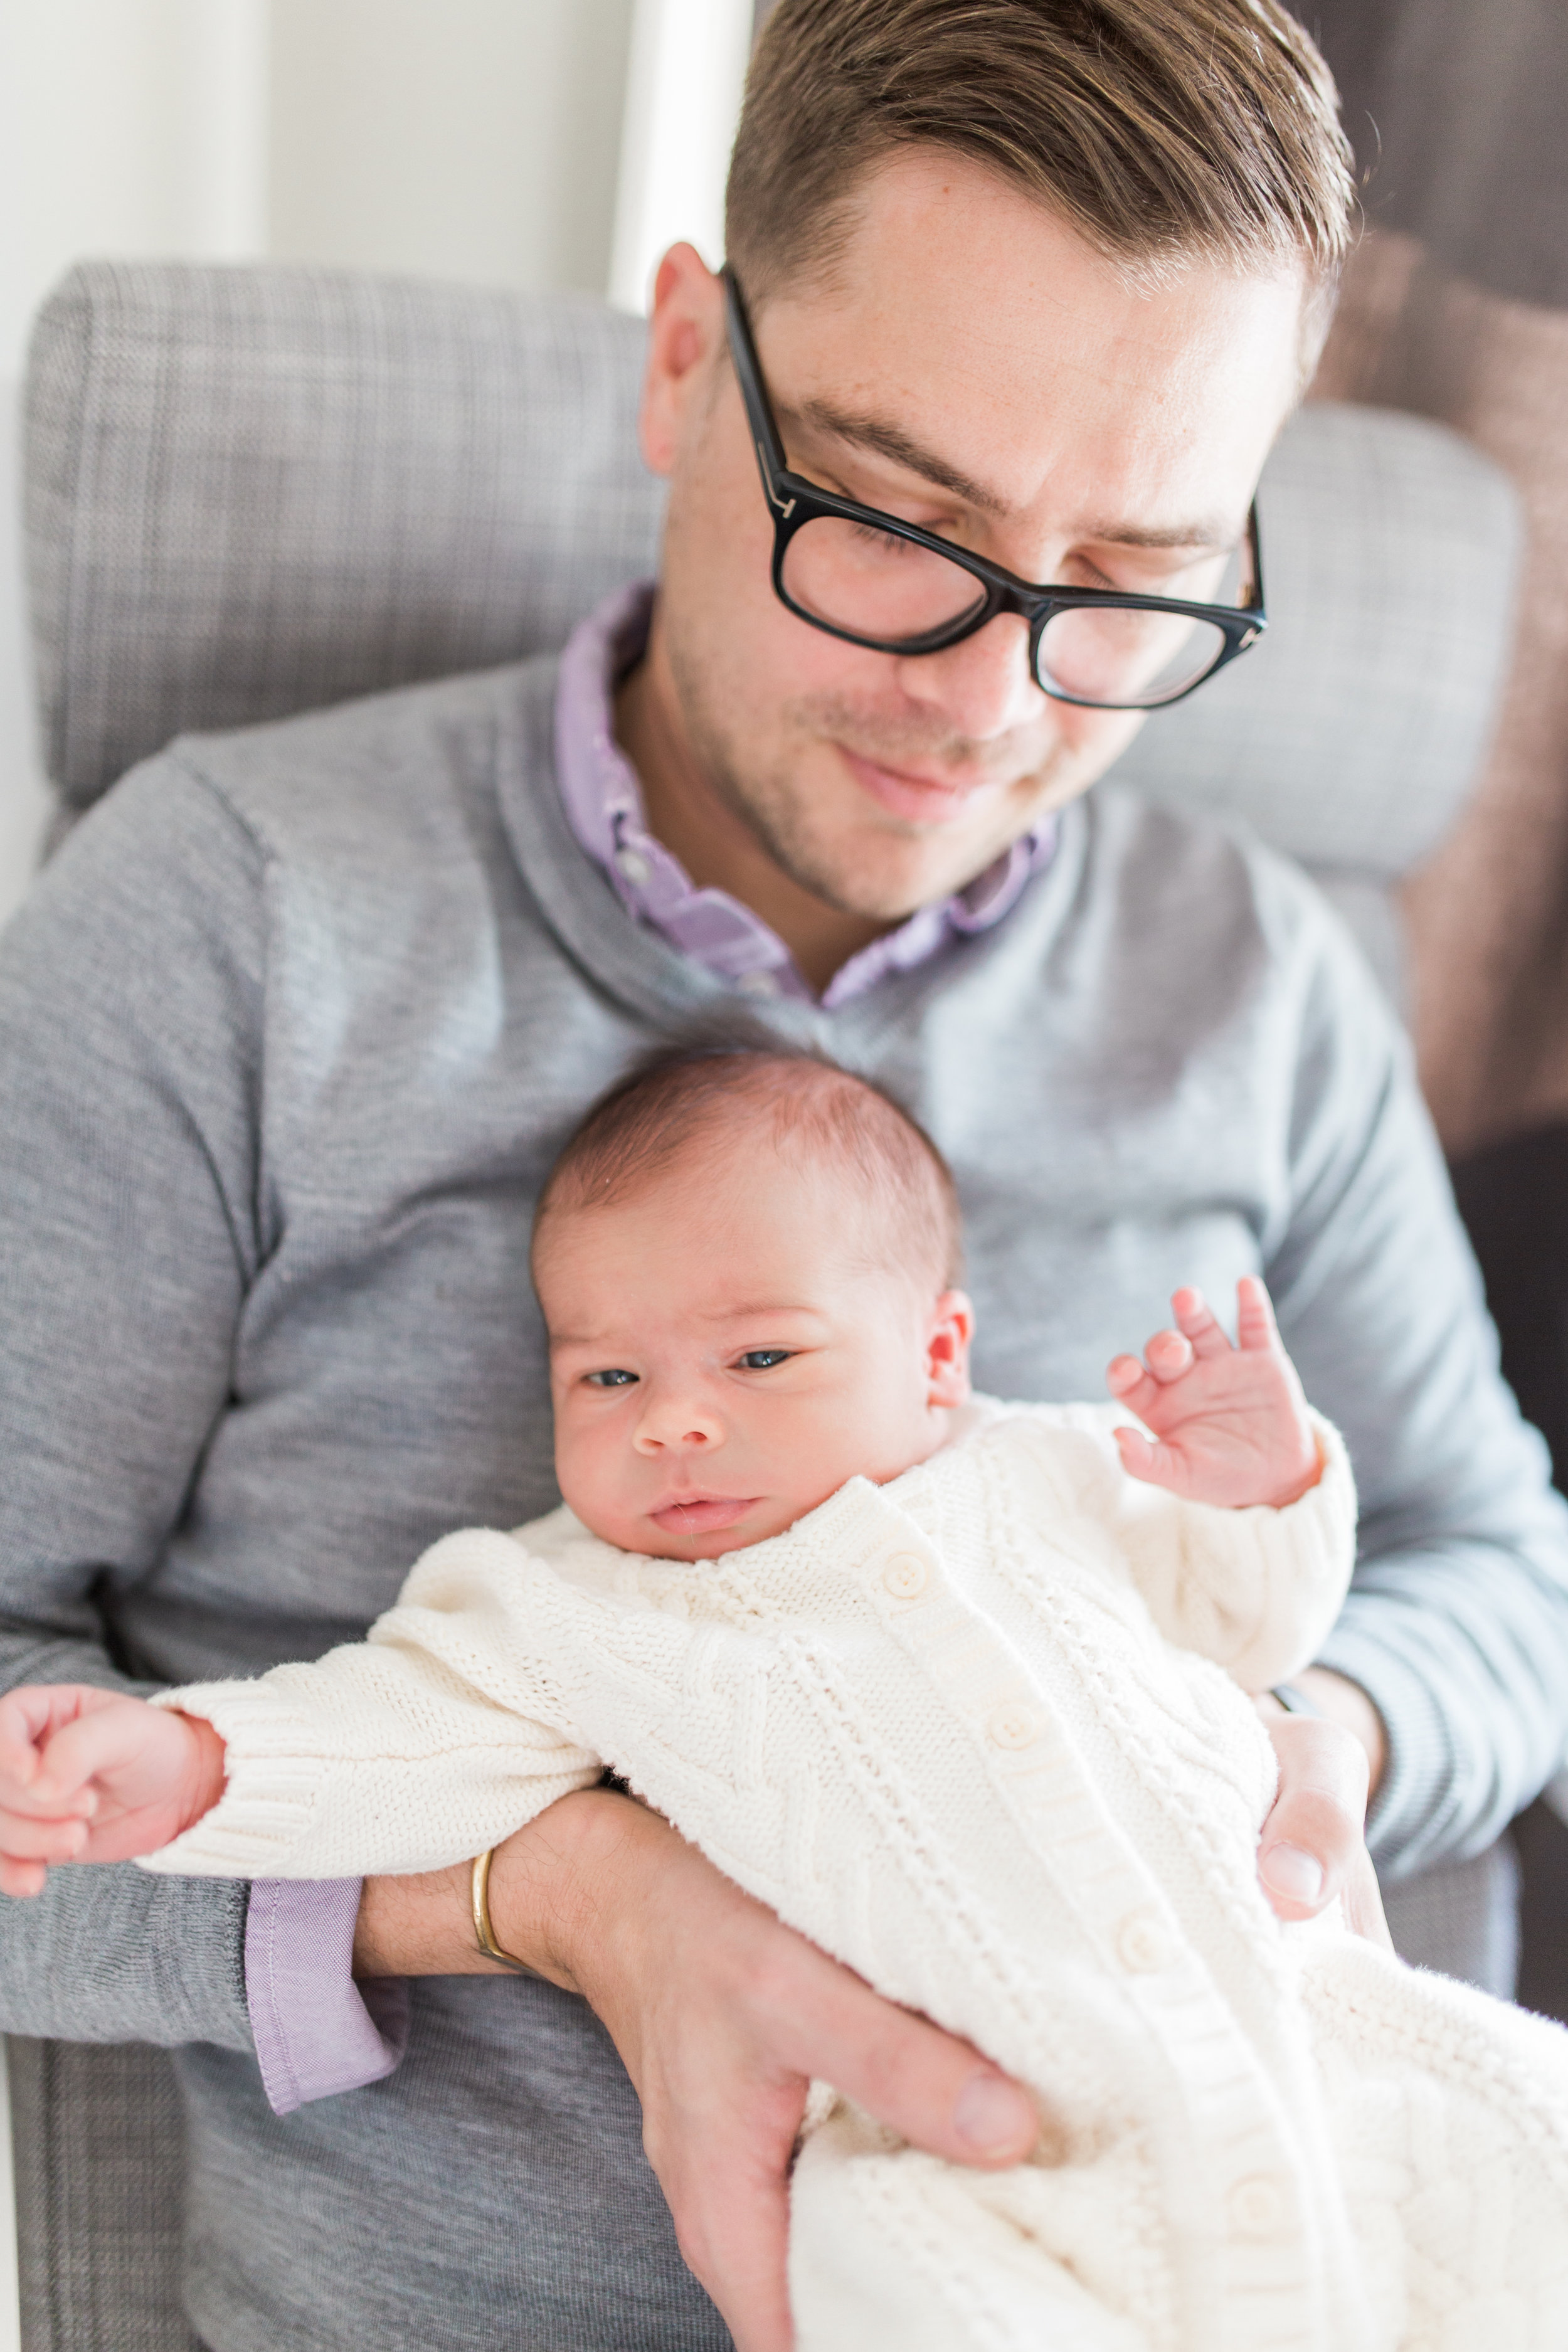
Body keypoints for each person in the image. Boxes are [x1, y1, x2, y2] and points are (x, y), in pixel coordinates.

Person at [3, 3, 1567, 2348]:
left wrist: (1295, 1746)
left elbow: (1495, 1567)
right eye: (897, 521)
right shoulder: (231, 924)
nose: (989, 704)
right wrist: (553, 1894)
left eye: (1130, 574)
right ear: (679, 371)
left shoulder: (1256, 982)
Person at [12, 1047, 1566, 2349]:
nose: (676, 1423)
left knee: (1524, 2139)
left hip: (1314, 2042)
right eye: (606, 1380)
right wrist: (192, 1757)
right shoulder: (558, 1600)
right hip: (974, 2163)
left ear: (939, 1355)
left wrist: (1263, 1487)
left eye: (758, 1357)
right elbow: (389, 1737)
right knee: (894, 2291)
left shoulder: (1062, 1467)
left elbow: (1251, 1621)